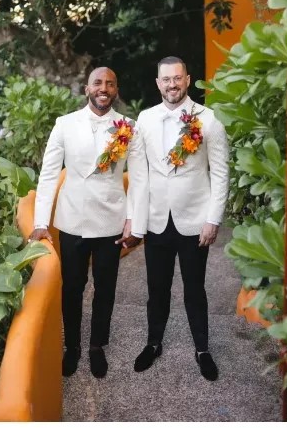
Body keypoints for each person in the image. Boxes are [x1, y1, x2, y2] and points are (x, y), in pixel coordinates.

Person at [30, 67, 147, 378]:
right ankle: (73, 348)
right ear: (87, 89)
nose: (103, 88)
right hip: (72, 221)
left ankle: (96, 347)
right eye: (98, 82)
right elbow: (48, 175)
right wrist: (41, 221)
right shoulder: (65, 124)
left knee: (105, 288)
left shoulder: (130, 128)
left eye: (110, 83)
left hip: (111, 221)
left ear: (116, 89)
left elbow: (138, 179)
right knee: (73, 287)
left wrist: (134, 222)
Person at [128, 56, 229, 381]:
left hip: (194, 222)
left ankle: (202, 349)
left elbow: (221, 173)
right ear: (158, 83)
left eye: (177, 78)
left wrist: (213, 219)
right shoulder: (143, 120)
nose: (171, 84)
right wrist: (135, 220)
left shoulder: (208, 120)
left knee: (195, 289)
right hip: (157, 221)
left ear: (187, 80)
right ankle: (153, 343)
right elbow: (138, 175)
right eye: (165, 79)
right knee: (156, 289)